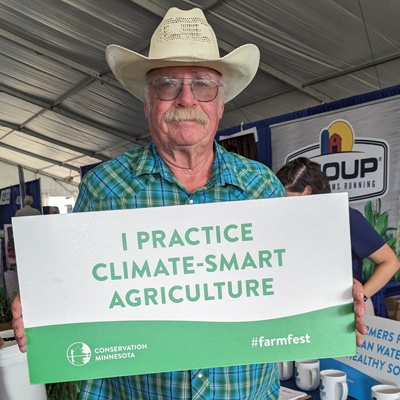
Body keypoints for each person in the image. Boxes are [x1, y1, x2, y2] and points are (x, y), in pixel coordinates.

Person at [11, 7, 367, 399]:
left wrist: (330, 294)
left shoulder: (260, 185)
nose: (186, 99)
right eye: (167, 85)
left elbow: (291, 283)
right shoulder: (106, 187)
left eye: (202, 85)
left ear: (220, 105)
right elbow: (75, 292)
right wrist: (43, 302)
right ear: (147, 104)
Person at [276, 157, 400, 313]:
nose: (281, 203)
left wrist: (361, 297)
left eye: (286, 197)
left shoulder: (346, 218)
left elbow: (390, 262)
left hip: (348, 310)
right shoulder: (291, 224)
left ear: (307, 191)